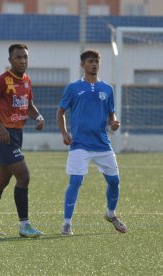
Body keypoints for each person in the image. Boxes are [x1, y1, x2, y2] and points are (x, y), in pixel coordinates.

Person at [0, 43, 45, 238]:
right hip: (2, 136)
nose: (22, 60)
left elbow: (28, 105)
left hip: (16, 134)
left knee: (1, 180)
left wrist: (38, 117)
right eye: (18, 57)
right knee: (24, 176)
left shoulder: (27, 80)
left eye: (25, 57)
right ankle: (24, 225)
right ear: (10, 60)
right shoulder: (2, 81)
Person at [56, 49, 127, 235]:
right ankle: (67, 223)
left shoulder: (107, 89)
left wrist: (114, 122)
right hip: (79, 144)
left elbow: (111, 114)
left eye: (96, 61)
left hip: (102, 144)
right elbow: (60, 112)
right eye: (89, 61)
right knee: (76, 181)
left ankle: (111, 214)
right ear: (82, 65)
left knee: (114, 182)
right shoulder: (73, 88)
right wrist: (64, 133)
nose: (93, 64)